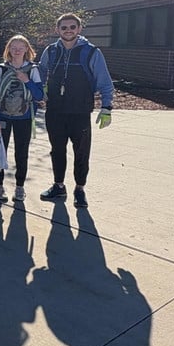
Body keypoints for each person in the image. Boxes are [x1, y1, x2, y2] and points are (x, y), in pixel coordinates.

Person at [38, 13, 114, 208]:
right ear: (58, 30)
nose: (68, 30)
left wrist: (107, 107)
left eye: (72, 27)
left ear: (79, 29)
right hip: (54, 111)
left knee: (81, 153)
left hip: (80, 112)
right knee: (57, 151)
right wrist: (39, 90)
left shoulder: (90, 52)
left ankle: (80, 189)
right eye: (64, 27)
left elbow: (104, 81)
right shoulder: (51, 51)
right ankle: (58, 185)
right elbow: (40, 72)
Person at [0, 35, 44, 203]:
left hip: (24, 117)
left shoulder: (33, 70)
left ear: (27, 49)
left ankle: (20, 187)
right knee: (0, 151)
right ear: (8, 50)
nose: (17, 50)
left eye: (21, 47)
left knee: (22, 153)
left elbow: (40, 95)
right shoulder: (1, 69)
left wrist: (27, 81)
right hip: (3, 117)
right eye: (13, 47)